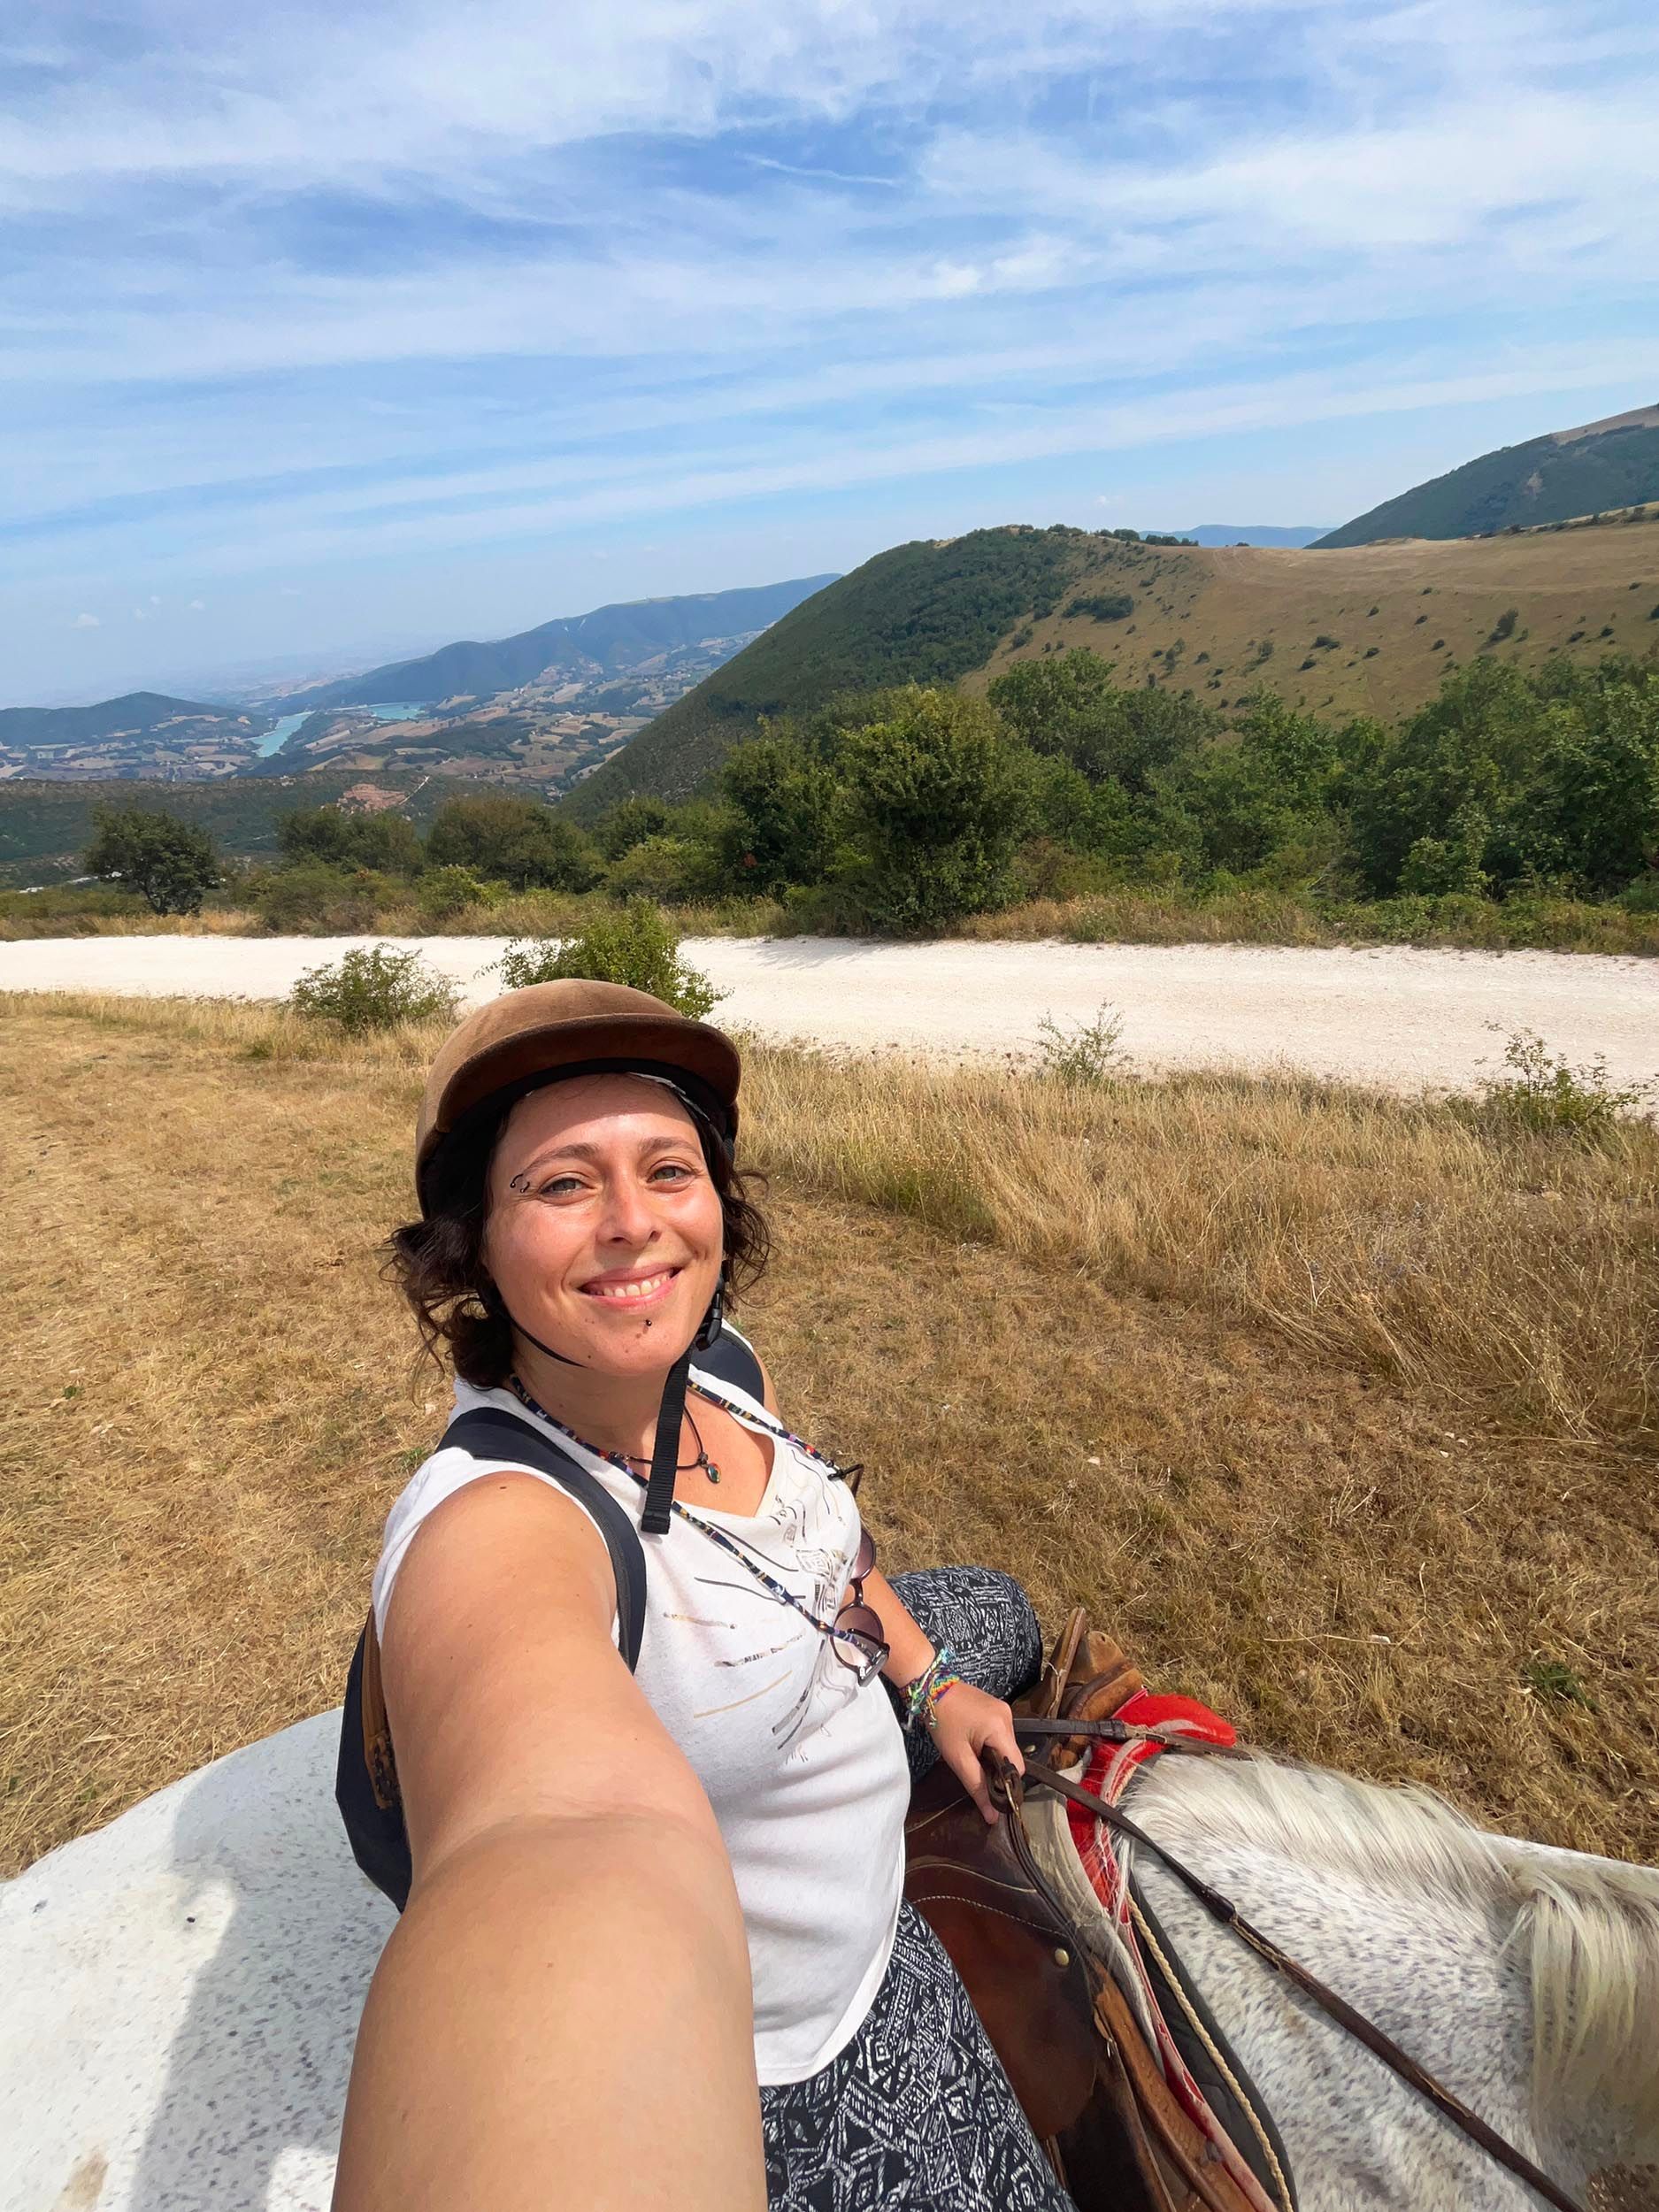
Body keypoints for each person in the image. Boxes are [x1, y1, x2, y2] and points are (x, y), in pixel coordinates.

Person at [334, 979, 1073, 2212]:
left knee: (999, 1606)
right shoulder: (501, 1523)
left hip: (881, 1899)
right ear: (473, 1246)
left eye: (668, 1170)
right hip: (810, 2047)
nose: (634, 1223)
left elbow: (824, 1556)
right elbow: (556, 1833)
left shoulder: (719, 1371)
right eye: (562, 1185)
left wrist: (933, 1684)